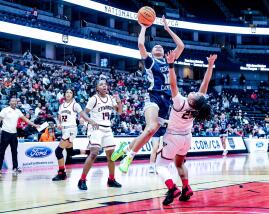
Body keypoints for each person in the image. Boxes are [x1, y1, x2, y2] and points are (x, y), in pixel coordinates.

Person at [111, 16, 184, 173]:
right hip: (153, 97)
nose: (158, 47)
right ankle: (128, 157)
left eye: (160, 47)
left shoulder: (169, 61)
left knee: (149, 133)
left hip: (167, 102)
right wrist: (143, 27)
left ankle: (126, 147)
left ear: (164, 52)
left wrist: (167, 29)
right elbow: (140, 44)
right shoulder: (151, 61)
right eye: (155, 47)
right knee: (151, 128)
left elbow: (181, 45)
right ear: (152, 52)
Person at [155, 51, 215, 205]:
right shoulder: (198, 107)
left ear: (193, 101)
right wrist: (210, 66)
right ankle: (186, 188)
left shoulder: (181, 102)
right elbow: (205, 85)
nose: (194, 92)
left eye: (195, 94)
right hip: (186, 138)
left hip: (173, 136)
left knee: (160, 165)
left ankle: (172, 188)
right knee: (179, 163)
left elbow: (173, 84)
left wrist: (171, 65)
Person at [78, 79, 123, 190]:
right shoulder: (93, 99)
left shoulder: (111, 98)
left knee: (111, 157)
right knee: (94, 153)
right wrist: (90, 121)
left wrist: (119, 102)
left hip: (107, 129)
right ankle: (82, 180)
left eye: (105, 84)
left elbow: (120, 112)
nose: (104, 86)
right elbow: (84, 113)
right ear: (97, 88)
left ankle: (111, 179)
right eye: (101, 84)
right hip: (96, 128)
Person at [52, 89, 90, 181]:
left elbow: (82, 113)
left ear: (73, 95)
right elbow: (59, 116)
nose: (68, 94)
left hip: (71, 129)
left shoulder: (75, 104)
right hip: (64, 130)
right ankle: (88, 152)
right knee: (70, 152)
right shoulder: (61, 106)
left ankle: (62, 173)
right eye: (67, 92)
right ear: (64, 94)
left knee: (58, 151)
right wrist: (59, 123)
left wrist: (82, 119)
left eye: (70, 93)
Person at [0, 97, 39, 173]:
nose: (14, 102)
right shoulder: (5, 110)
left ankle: (15, 168)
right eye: (12, 101)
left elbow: (26, 119)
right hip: (5, 133)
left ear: (16, 103)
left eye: (15, 101)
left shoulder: (18, 111)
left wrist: (34, 125)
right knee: (1, 152)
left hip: (14, 134)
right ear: (9, 102)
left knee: (14, 151)